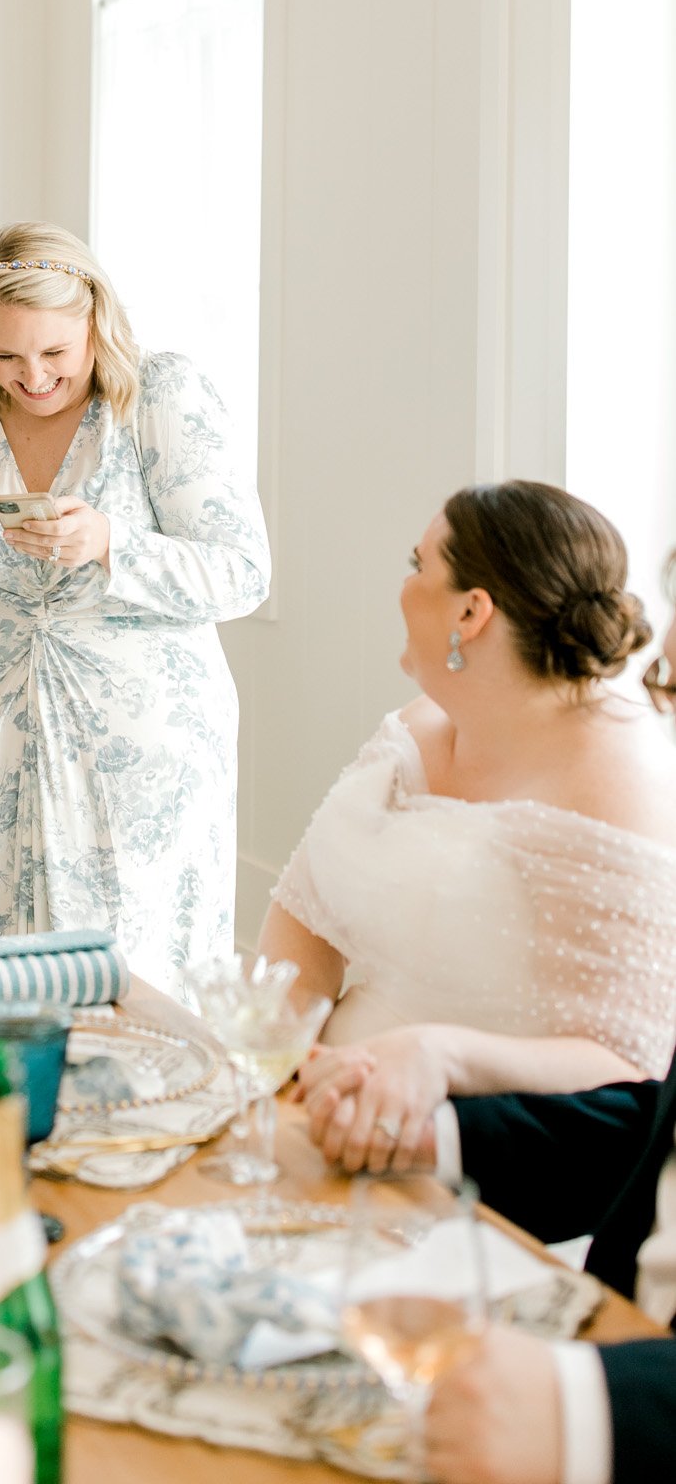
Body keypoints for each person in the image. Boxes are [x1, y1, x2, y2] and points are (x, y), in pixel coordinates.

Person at [303, 574, 676, 1484]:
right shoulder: (411, 732)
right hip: (599, 1325)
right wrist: (431, 1133)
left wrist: (588, 1411)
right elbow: (644, 1129)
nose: (659, 694)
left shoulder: (612, 781)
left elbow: (623, 1046)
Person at [0, 221, 270, 991]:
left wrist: (109, 543)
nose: (31, 377)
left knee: (124, 966)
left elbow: (242, 573)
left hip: (134, 747)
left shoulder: (159, 395)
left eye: (55, 353)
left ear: (96, 320)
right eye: (4, 355)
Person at [261, 482, 676, 1172]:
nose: (402, 585)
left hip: (475, 1156)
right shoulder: (414, 728)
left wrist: (436, 1062)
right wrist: (281, 1059)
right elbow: (305, 916)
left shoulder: (618, 780)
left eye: (416, 564)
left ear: (471, 611)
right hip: (319, 1112)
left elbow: (629, 1060)